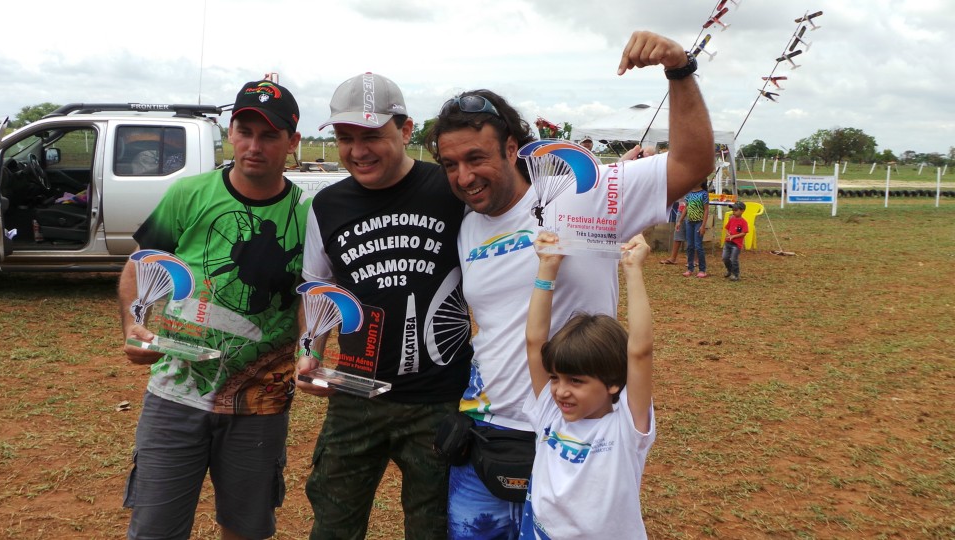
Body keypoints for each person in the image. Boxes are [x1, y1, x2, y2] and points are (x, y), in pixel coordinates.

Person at [425, 30, 713, 539]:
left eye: (476, 158)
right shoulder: (468, 226)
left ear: (513, 147)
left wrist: (679, 70)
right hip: (487, 429)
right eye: (450, 165)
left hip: (572, 428)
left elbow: (691, 164)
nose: (464, 177)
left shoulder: (588, 188)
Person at [118, 80, 306, 539]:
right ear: (230, 132)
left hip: (259, 402)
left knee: (245, 529)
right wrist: (133, 324)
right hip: (174, 395)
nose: (253, 146)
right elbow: (140, 267)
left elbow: (308, 297)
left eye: (269, 136)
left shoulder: (307, 213)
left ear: (292, 142)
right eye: (244, 132)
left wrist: (309, 349)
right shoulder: (190, 194)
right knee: (155, 529)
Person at [296, 72, 473, 540]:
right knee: (333, 524)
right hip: (355, 394)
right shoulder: (327, 205)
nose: (357, 150)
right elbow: (318, 285)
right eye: (344, 137)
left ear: (406, 130)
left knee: (433, 527)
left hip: (439, 398)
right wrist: (309, 349)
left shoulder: (451, 191)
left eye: (371, 135)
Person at [521, 231, 655, 538]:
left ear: (612, 383)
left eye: (577, 381)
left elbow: (639, 351)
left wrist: (633, 271)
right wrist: (547, 267)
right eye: (555, 377)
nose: (560, 390)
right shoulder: (549, 413)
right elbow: (534, 342)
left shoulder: (627, 427)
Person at [677, 179, 711, 278]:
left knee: (698, 246)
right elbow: (686, 208)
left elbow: (706, 210)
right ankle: (690, 268)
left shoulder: (704, 194)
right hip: (689, 222)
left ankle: (702, 269)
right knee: (690, 246)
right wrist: (680, 221)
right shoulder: (689, 194)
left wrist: (703, 225)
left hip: (699, 222)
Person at [722, 200, 749, 281]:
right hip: (728, 242)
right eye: (733, 210)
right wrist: (728, 234)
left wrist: (734, 236)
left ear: (742, 211)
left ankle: (735, 274)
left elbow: (744, 233)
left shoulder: (743, 222)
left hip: (736, 244)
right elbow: (727, 228)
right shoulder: (731, 219)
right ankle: (729, 270)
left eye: (736, 210)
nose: (734, 212)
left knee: (734, 259)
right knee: (725, 258)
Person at [660, 195, 686, 265]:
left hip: (693, 211)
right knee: (677, 234)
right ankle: (673, 258)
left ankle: (695, 260)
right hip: (681, 210)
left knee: (693, 236)